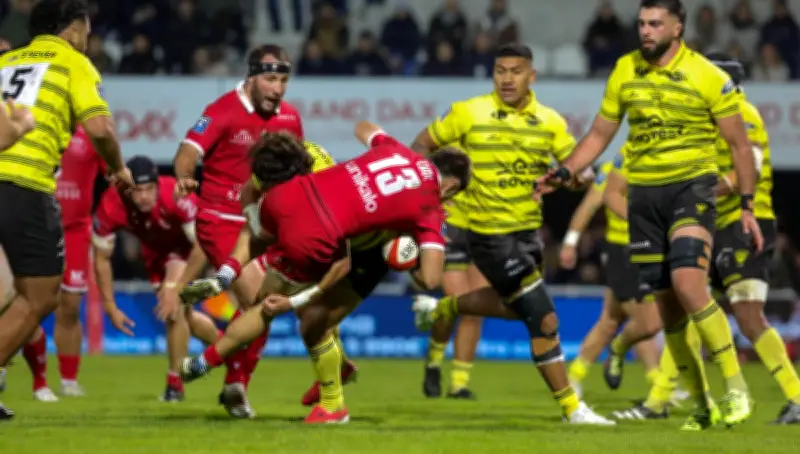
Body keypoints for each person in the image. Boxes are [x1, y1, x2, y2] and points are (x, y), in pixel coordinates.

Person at [536, 0, 761, 430]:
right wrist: (567, 169)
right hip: (644, 198)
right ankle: (700, 404)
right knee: (670, 310)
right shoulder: (625, 69)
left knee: (688, 283)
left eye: (655, 24)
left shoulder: (708, 76)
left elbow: (738, 147)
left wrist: (747, 206)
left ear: (677, 28)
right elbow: (601, 132)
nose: (646, 31)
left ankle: (736, 388)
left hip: (690, 189)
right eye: (641, 23)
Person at [179, 126, 471, 423]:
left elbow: (363, 127)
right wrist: (408, 257)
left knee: (310, 321)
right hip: (333, 235)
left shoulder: (393, 149)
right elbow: (430, 279)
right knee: (298, 313)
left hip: (361, 247)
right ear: (448, 189)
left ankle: (332, 403)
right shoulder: (430, 206)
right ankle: (334, 375)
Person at [409, 43, 613, 425]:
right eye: (500, 70)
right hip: (487, 235)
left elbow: (580, 169)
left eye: (515, 71)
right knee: (543, 318)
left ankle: (443, 307)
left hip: (527, 237)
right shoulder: (469, 112)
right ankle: (573, 409)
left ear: (531, 76)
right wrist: (425, 189)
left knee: (517, 310)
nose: (506, 78)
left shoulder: (550, 122)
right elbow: (422, 144)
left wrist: (569, 175)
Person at [614, 52, 800, 425]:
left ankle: (796, 396)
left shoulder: (742, 115)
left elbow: (752, 166)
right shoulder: (706, 116)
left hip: (745, 225)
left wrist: (689, 196)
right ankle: (658, 401)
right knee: (689, 306)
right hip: (713, 223)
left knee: (748, 316)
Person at [0, 0, 133, 420]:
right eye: (86, 31)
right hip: (25, 183)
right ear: (72, 29)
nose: (87, 40)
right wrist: (117, 167)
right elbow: (99, 128)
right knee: (40, 295)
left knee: (9, 294)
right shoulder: (73, 62)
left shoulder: (6, 61)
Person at [172, 43, 304, 418]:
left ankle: (234, 381)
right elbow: (188, 152)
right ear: (251, 77)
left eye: (283, 79)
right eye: (270, 78)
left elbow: (298, 171)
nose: (277, 88)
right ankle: (233, 382)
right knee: (259, 301)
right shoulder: (221, 110)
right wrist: (184, 177)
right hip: (221, 220)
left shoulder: (290, 119)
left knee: (264, 307)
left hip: (266, 225)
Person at [92, 156, 218, 402]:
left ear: (158, 184)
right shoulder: (111, 204)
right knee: (185, 317)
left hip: (189, 251)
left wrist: (176, 286)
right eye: (137, 191)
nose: (144, 197)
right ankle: (226, 347)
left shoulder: (177, 194)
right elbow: (101, 259)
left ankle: (175, 385)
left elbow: (204, 244)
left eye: (150, 189)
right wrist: (109, 305)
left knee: (174, 307)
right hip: (154, 256)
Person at [562, 153, 665, 398]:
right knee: (646, 321)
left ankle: (573, 377)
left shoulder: (661, 163)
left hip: (650, 252)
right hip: (624, 253)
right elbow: (589, 205)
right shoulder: (617, 167)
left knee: (610, 321)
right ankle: (659, 383)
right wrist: (570, 242)